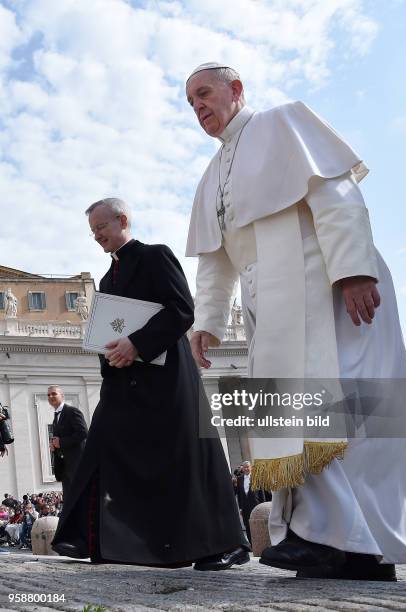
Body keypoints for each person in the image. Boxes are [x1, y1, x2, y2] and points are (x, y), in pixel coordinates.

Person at [185, 62, 406, 581]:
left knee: (343, 411)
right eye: (190, 101)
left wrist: (353, 270)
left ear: (236, 90)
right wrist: (208, 320)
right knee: (289, 413)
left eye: (204, 94)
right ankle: (320, 537)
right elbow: (215, 260)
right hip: (269, 305)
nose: (197, 106)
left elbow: (336, 195)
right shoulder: (211, 176)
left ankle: (358, 540)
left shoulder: (284, 123)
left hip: (326, 283)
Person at [52, 198, 249, 569]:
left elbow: (182, 309)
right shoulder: (108, 278)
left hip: (167, 378)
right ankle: (89, 538)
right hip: (124, 380)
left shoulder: (156, 256)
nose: (96, 236)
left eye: (101, 228)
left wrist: (137, 344)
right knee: (101, 447)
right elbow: (109, 331)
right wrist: (111, 355)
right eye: (92, 231)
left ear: (122, 220)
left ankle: (224, 543)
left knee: (186, 458)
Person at [48, 386, 88, 498]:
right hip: (65, 468)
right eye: (48, 395)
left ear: (62, 396)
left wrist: (61, 442)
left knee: (81, 499)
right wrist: (54, 446)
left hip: (77, 465)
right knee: (69, 502)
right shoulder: (55, 417)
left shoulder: (72, 411)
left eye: (54, 393)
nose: (50, 396)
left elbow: (83, 433)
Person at [236, 461, 266, 545]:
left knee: (258, 524)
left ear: (251, 468)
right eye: (245, 467)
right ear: (243, 469)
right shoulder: (240, 479)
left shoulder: (256, 477)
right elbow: (239, 494)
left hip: (256, 505)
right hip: (245, 507)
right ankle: (252, 545)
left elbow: (261, 492)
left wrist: (263, 505)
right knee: (248, 525)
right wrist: (240, 507)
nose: (246, 468)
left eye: (248, 467)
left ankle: (261, 543)